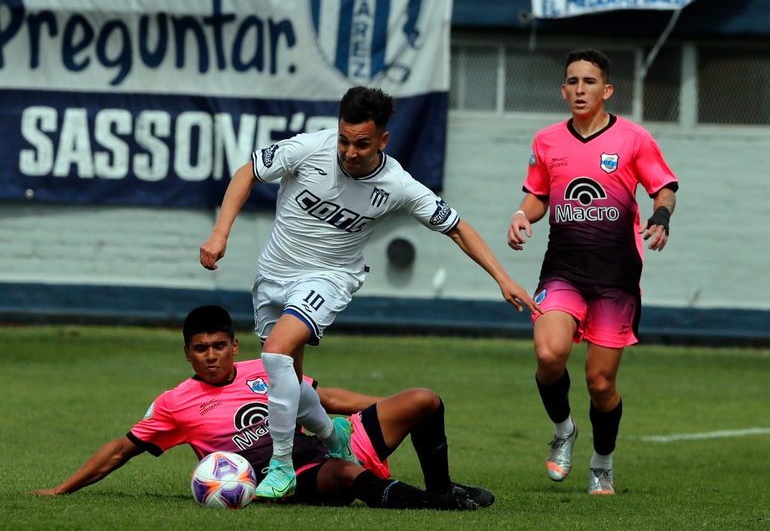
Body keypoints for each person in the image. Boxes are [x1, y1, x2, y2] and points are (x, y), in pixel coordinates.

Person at [199, 86, 539, 499]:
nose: (349, 151)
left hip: (329, 277)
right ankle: (332, 431)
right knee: (286, 375)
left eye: (361, 143)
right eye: (344, 139)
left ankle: (282, 466)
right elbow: (248, 171)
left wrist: (502, 278)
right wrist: (220, 233)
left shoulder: (397, 184)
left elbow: (457, 228)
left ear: (382, 140)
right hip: (273, 275)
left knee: (273, 353)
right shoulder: (309, 148)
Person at [33, 305, 492, 510]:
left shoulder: (264, 366)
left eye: (218, 346)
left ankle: (443, 487)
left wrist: (388, 408)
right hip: (292, 475)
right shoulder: (177, 404)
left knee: (424, 401)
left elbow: (324, 399)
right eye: (199, 349)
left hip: (331, 437)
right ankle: (437, 505)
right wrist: (62, 491)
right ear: (187, 354)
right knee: (349, 478)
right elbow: (121, 449)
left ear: (235, 346)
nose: (210, 356)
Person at [507, 49, 678, 495]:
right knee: (548, 356)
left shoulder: (634, 138)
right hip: (563, 269)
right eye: (572, 82)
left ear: (607, 90)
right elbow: (538, 196)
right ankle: (564, 429)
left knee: (600, 383)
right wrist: (523, 214)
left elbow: (663, 186)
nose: (580, 90)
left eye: (589, 82)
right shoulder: (546, 141)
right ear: (563, 90)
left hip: (615, 277)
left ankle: (602, 461)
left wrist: (661, 217)